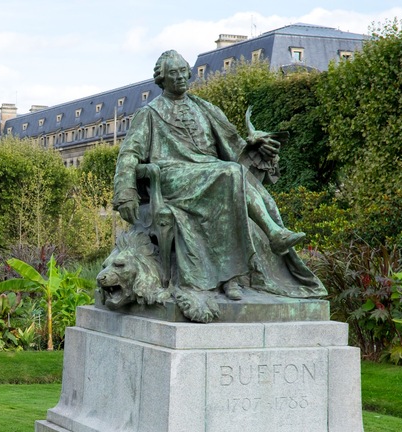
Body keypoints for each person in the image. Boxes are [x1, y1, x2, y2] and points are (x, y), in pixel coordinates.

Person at [113, 50, 325, 303]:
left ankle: (233, 277)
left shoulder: (206, 108)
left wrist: (258, 146)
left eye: (183, 72)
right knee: (230, 173)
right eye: (173, 74)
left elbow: (235, 148)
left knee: (237, 177)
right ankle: (271, 235)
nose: (181, 77)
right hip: (173, 176)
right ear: (161, 79)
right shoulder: (149, 113)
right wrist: (126, 192)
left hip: (211, 172)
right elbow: (129, 154)